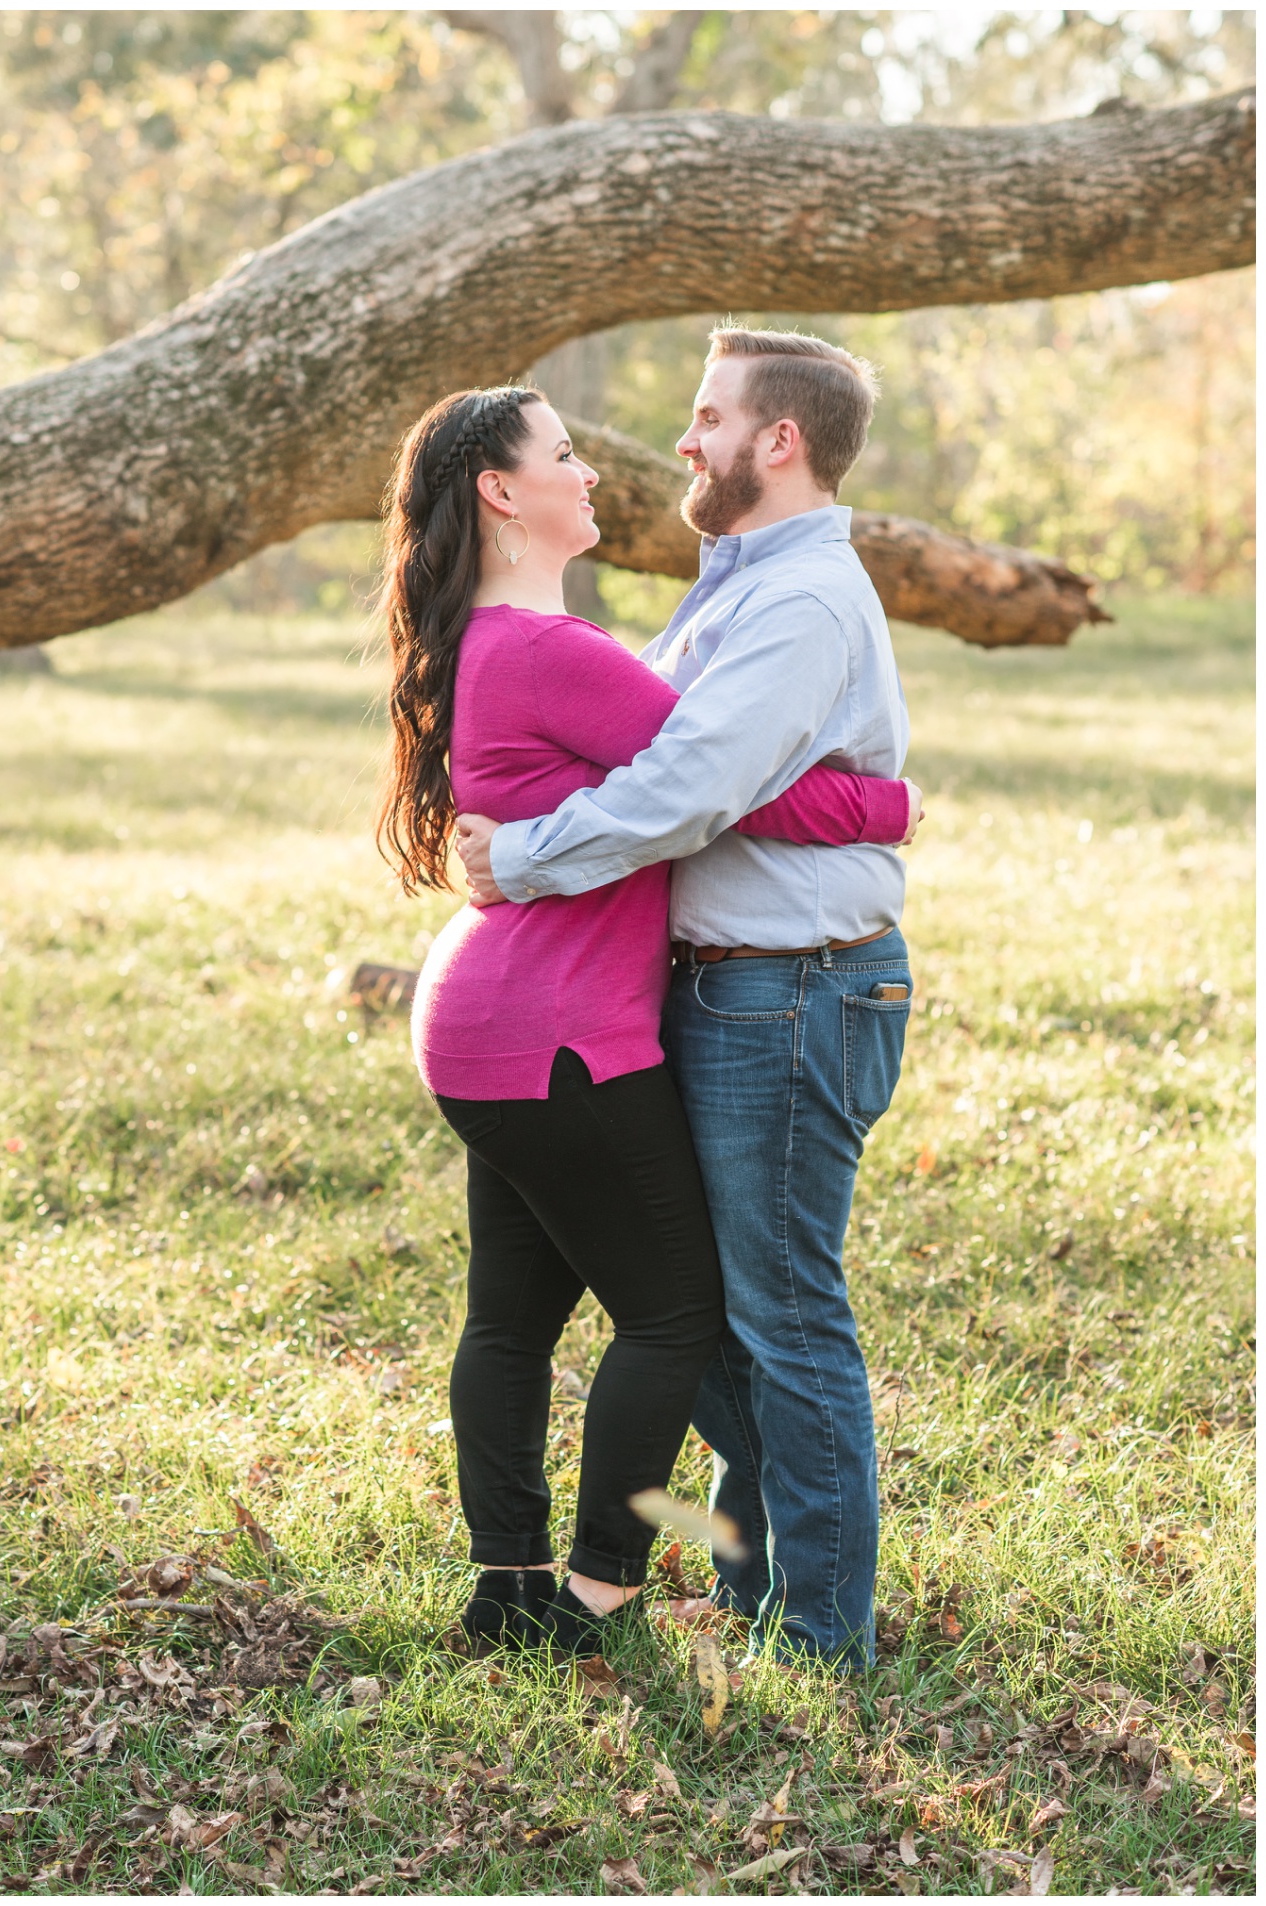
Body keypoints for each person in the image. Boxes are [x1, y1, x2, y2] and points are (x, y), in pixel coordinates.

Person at [376, 381, 918, 1657]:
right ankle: (597, 1595)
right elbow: (728, 786)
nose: (594, 468)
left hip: (484, 1017)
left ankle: (506, 1585)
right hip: (560, 1026)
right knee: (676, 1318)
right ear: (502, 492)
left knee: (509, 1318)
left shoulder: (498, 639)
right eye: (562, 453)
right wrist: (884, 807)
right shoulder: (554, 650)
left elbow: (702, 773)